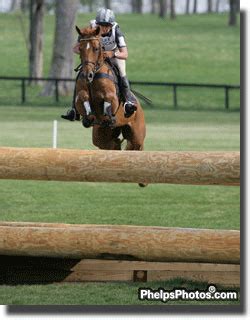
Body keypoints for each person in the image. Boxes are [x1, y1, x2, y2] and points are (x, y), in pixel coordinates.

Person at [61, 8, 137, 121]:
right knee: (80, 76)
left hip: (114, 55)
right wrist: (87, 53)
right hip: (94, 57)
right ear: (97, 24)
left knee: (122, 74)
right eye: (102, 25)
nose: (105, 28)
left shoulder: (116, 31)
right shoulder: (90, 29)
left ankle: (128, 103)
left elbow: (125, 53)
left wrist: (112, 54)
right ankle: (74, 110)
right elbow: (76, 48)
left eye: (107, 25)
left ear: (111, 25)